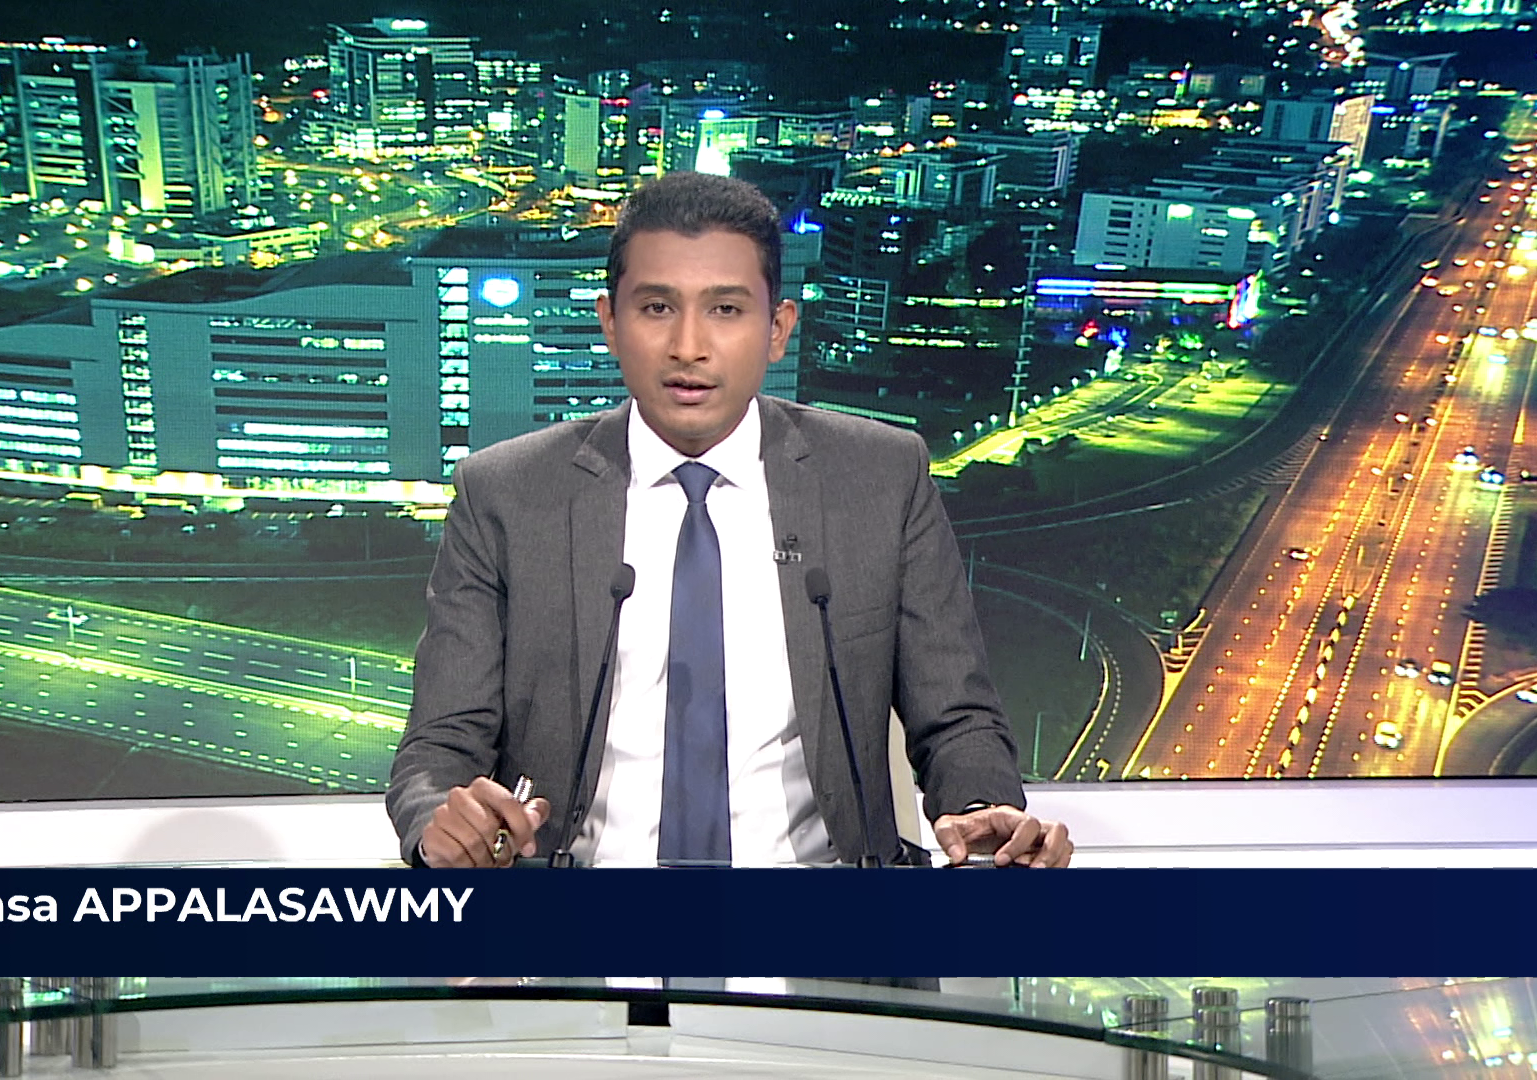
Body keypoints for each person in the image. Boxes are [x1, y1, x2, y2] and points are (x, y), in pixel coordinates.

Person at [386, 172, 1072, 870]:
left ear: (778, 330)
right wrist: (440, 818)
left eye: (725, 309)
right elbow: (439, 746)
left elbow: (957, 718)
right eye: (657, 308)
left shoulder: (880, 479)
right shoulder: (505, 494)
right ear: (610, 323)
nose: (689, 346)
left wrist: (981, 809)